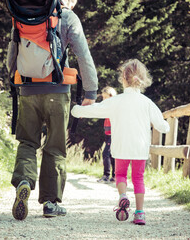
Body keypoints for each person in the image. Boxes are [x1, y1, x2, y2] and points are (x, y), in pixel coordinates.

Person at [11, 0, 98, 220]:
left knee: (28, 142)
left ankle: (24, 182)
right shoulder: (68, 17)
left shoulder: (25, 13)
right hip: (58, 91)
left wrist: (14, 82)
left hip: (27, 88)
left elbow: (13, 50)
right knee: (55, 145)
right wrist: (91, 92)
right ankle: (50, 203)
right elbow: (83, 54)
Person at [71, 59, 170, 225]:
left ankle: (123, 197)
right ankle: (140, 213)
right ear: (142, 79)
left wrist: (76, 110)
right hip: (139, 148)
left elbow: (95, 109)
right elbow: (162, 126)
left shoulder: (116, 101)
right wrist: (166, 125)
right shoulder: (147, 103)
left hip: (121, 147)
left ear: (123, 77)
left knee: (121, 175)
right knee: (138, 178)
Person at [97, 86, 117, 183]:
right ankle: (115, 176)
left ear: (111, 96)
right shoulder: (106, 106)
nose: (104, 99)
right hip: (108, 133)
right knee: (112, 154)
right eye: (103, 97)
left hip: (114, 133)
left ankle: (106, 175)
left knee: (106, 153)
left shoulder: (115, 106)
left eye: (106, 97)